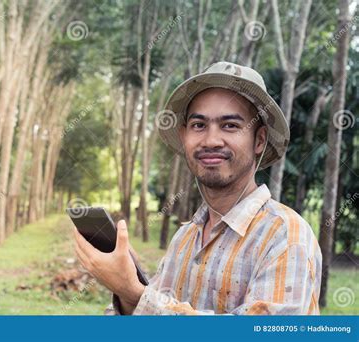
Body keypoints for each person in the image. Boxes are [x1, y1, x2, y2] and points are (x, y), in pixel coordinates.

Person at [73, 61, 322, 315]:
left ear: (258, 140)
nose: (211, 140)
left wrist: (134, 292)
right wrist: (128, 288)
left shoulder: (285, 237)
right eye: (199, 125)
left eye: (230, 125)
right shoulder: (185, 238)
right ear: (184, 137)